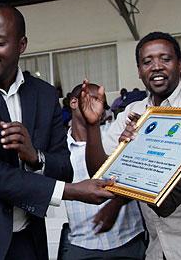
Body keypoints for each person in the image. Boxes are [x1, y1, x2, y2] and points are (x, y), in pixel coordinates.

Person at [0, 4, 114, 260]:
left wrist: (36, 156)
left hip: (26, 240)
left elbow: (63, 166)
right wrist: (71, 191)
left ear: (21, 44)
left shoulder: (45, 95)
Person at [80, 32, 181, 260]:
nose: (156, 67)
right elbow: (99, 176)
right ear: (139, 70)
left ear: (180, 65)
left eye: (165, 59)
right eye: (147, 61)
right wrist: (93, 126)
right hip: (156, 248)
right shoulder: (131, 114)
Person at [58, 83, 145, 260]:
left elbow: (136, 175)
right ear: (74, 103)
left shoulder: (115, 135)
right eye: (92, 99)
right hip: (82, 246)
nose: (97, 105)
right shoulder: (58, 149)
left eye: (101, 101)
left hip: (128, 241)